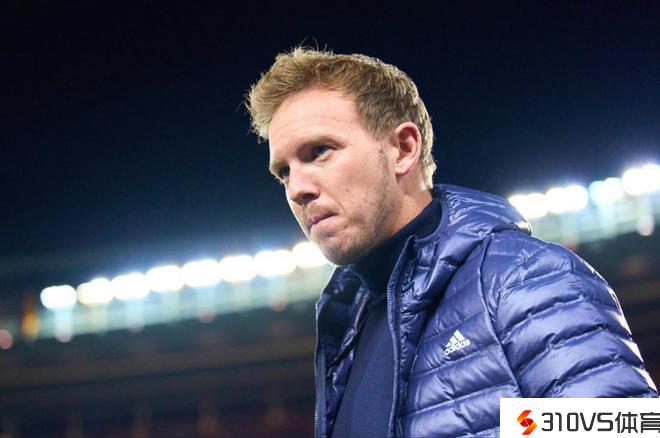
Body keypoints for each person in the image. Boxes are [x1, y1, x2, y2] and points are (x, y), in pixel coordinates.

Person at [246, 48, 658, 437]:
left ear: (403, 149)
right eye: (284, 172)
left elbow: (624, 426)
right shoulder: (344, 330)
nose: (297, 189)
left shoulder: (523, 278)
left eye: (320, 151)